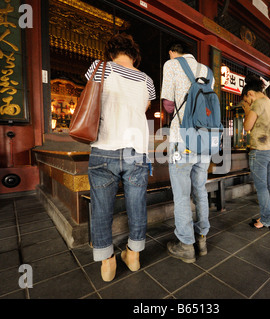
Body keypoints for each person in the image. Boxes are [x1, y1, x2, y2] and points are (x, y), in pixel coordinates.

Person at [86, 33, 156, 282]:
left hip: (104, 146)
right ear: (134, 54)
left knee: (101, 208)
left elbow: (90, 98)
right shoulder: (146, 79)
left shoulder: (99, 67)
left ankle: (107, 263)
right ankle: (133, 255)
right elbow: (144, 108)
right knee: (137, 205)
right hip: (137, 150)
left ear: (111, 52)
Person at [161, 42, 212, 263]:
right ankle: (202, 239)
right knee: (200, 189)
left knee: (182, 194)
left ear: (173, 52)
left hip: (182, 138)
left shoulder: (171, 65)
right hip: (206, 139)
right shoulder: (207, 71)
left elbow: (168, 105)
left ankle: (186, 245)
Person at [241, 74, 270, 230]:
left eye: (247, 100)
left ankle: (266, 220)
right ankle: (268, 216)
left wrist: (248, 109)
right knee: (269, 186)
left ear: (250, 94)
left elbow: (247, 127)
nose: (248, 103)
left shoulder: (257, 104)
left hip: (260, 151)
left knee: (262, 188)